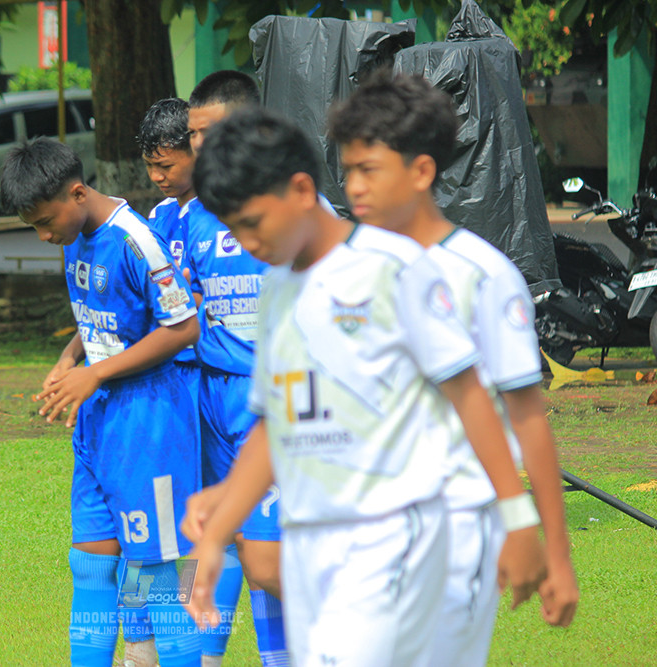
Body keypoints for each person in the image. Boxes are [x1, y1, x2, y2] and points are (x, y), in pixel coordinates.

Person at [182, 107, 547, 666]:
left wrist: (517, 518)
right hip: (310, 542)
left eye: (253, 222)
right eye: (232, 228)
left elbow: (471, 396)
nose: (246, 241)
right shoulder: (277, 289)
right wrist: (216, 533)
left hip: (395, 536)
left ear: (302, 189)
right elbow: (277, 425)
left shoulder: (393, 268)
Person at [328, 71, 578, 665]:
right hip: (355, 526)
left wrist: (555, 552)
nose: (353, 186)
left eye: (370, 169)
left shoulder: (483, 276)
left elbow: (527, 417)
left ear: (421, 171)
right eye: (347, 170)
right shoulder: (336, 270)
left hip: (456, 528)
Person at [0, 137, 203, 667]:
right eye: (34, 227)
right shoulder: (71, 234)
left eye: (46, 221)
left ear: (76, 192)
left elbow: (182, 328)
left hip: (149, 415)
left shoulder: (136, 240)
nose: (45, 236)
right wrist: (72, 356)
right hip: (98, 419)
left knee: (162, 571)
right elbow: (101, 312)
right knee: (89, 562)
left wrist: (95, 372)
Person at [184, 70, 288, 667]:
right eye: (192, 135)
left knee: (266, 556)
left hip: (275, 406)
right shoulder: (187, 218)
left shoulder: (298, 207)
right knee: (220, 537)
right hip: (211, 405)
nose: (198, 146)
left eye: (209, 133)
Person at [117, 97, 203, 667]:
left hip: (205, 391)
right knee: (147, 529)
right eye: (149, 166)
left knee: (195, 531)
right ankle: (139, 650)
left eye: (165, 166)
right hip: (160, 396)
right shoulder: (158, 220)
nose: (155, 177)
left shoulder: (226, 220)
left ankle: (197, 651)